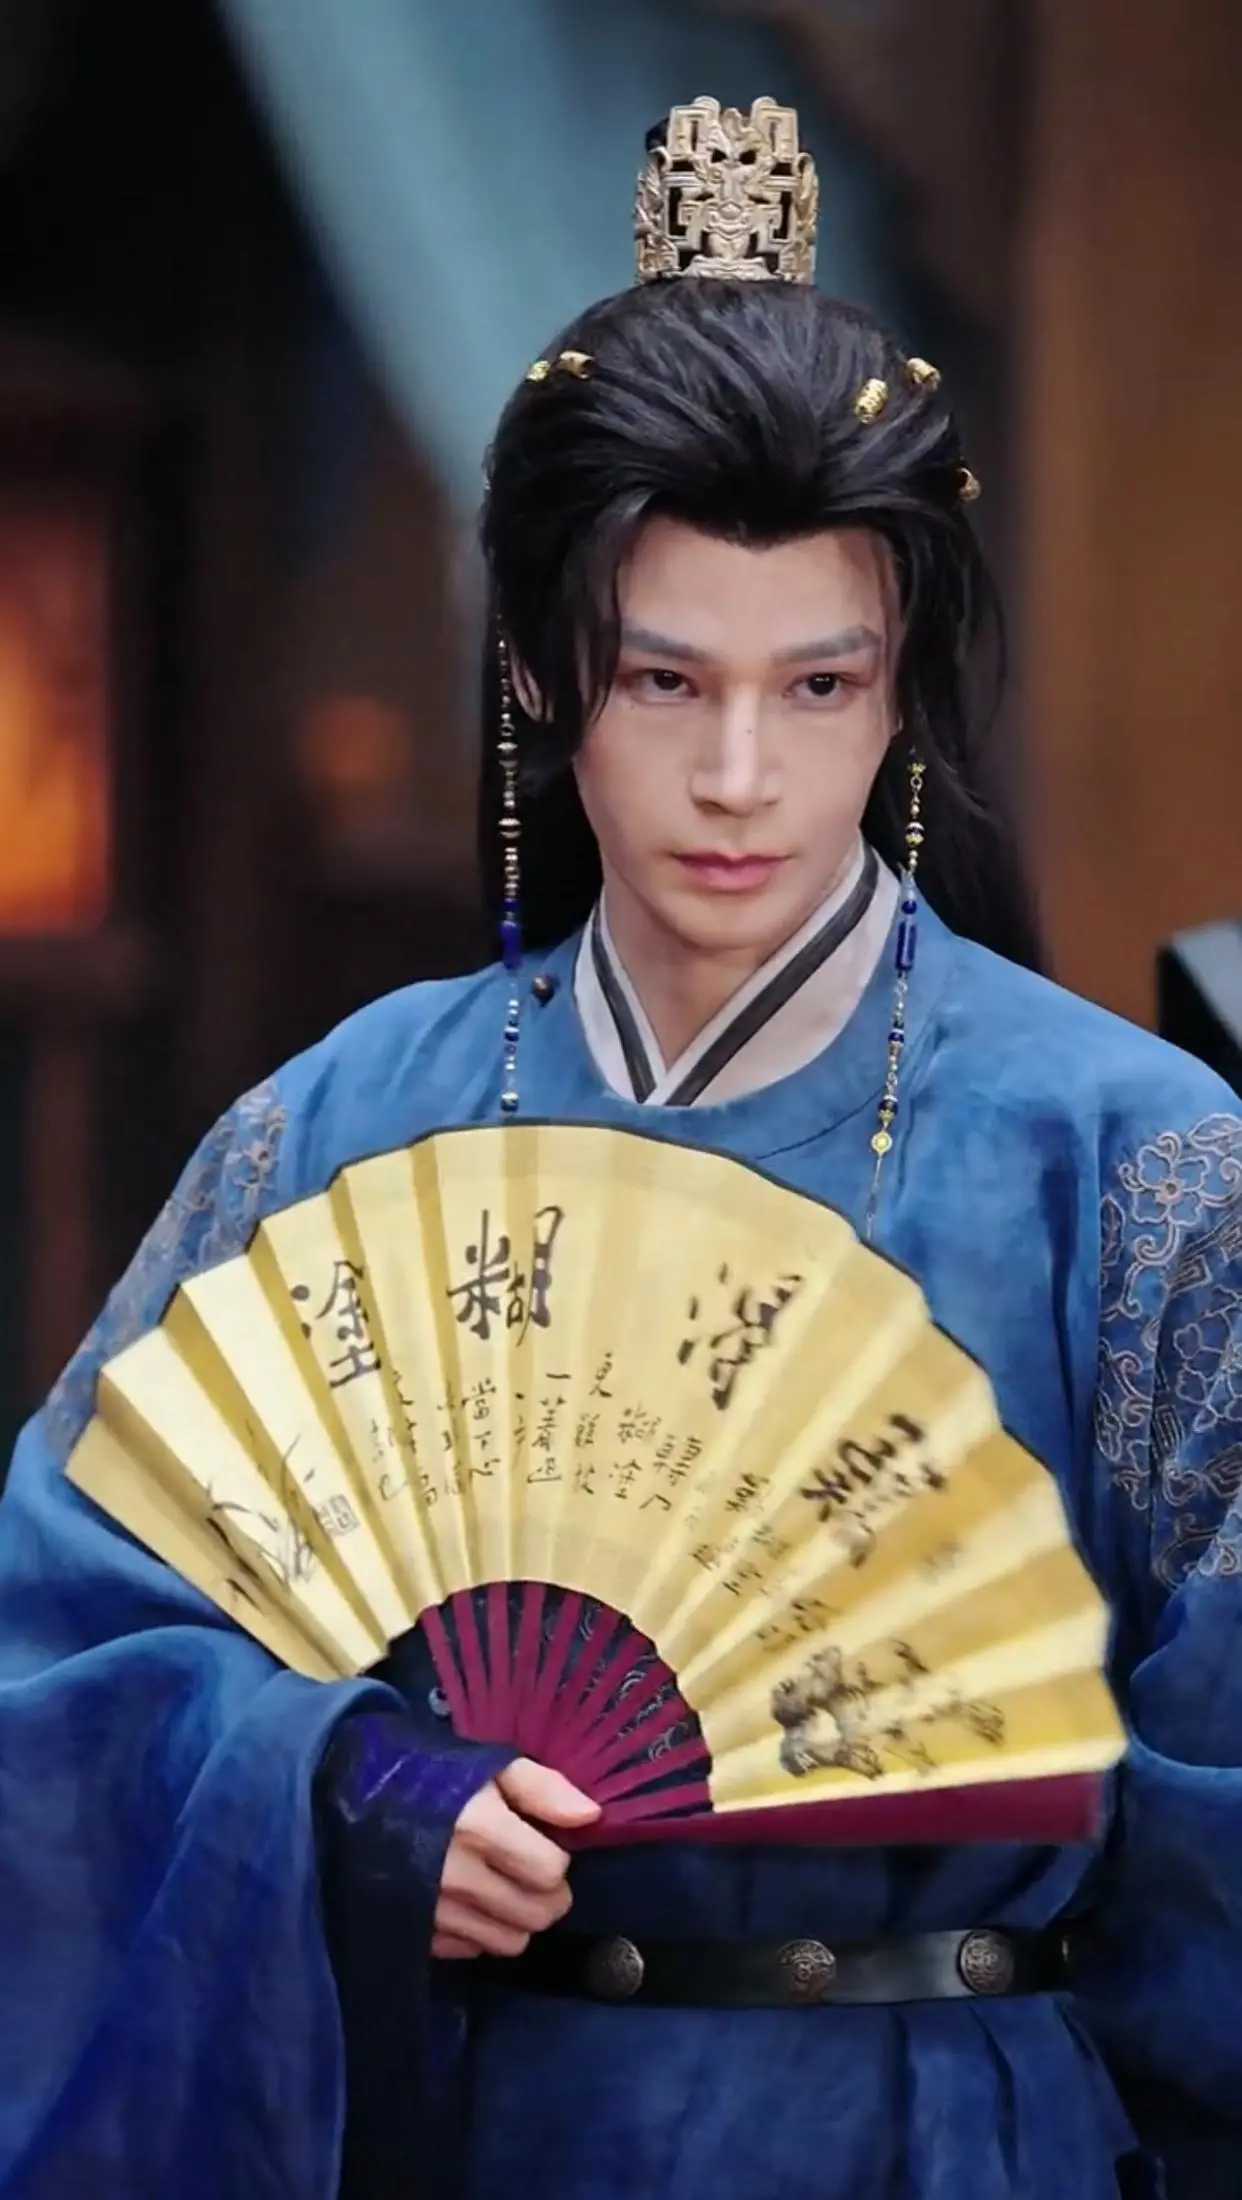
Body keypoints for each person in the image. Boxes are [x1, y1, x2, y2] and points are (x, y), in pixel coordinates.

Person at [0, 93, 1239, 2200]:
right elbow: (57, 1667)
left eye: (818, 685)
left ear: (904, 688)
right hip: (481, 2128)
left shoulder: (1136, 1167)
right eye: (664, 680)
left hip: (951, 2137)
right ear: (537, 671)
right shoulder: (331, 1130)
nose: (739, 776)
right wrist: (351, 1797)